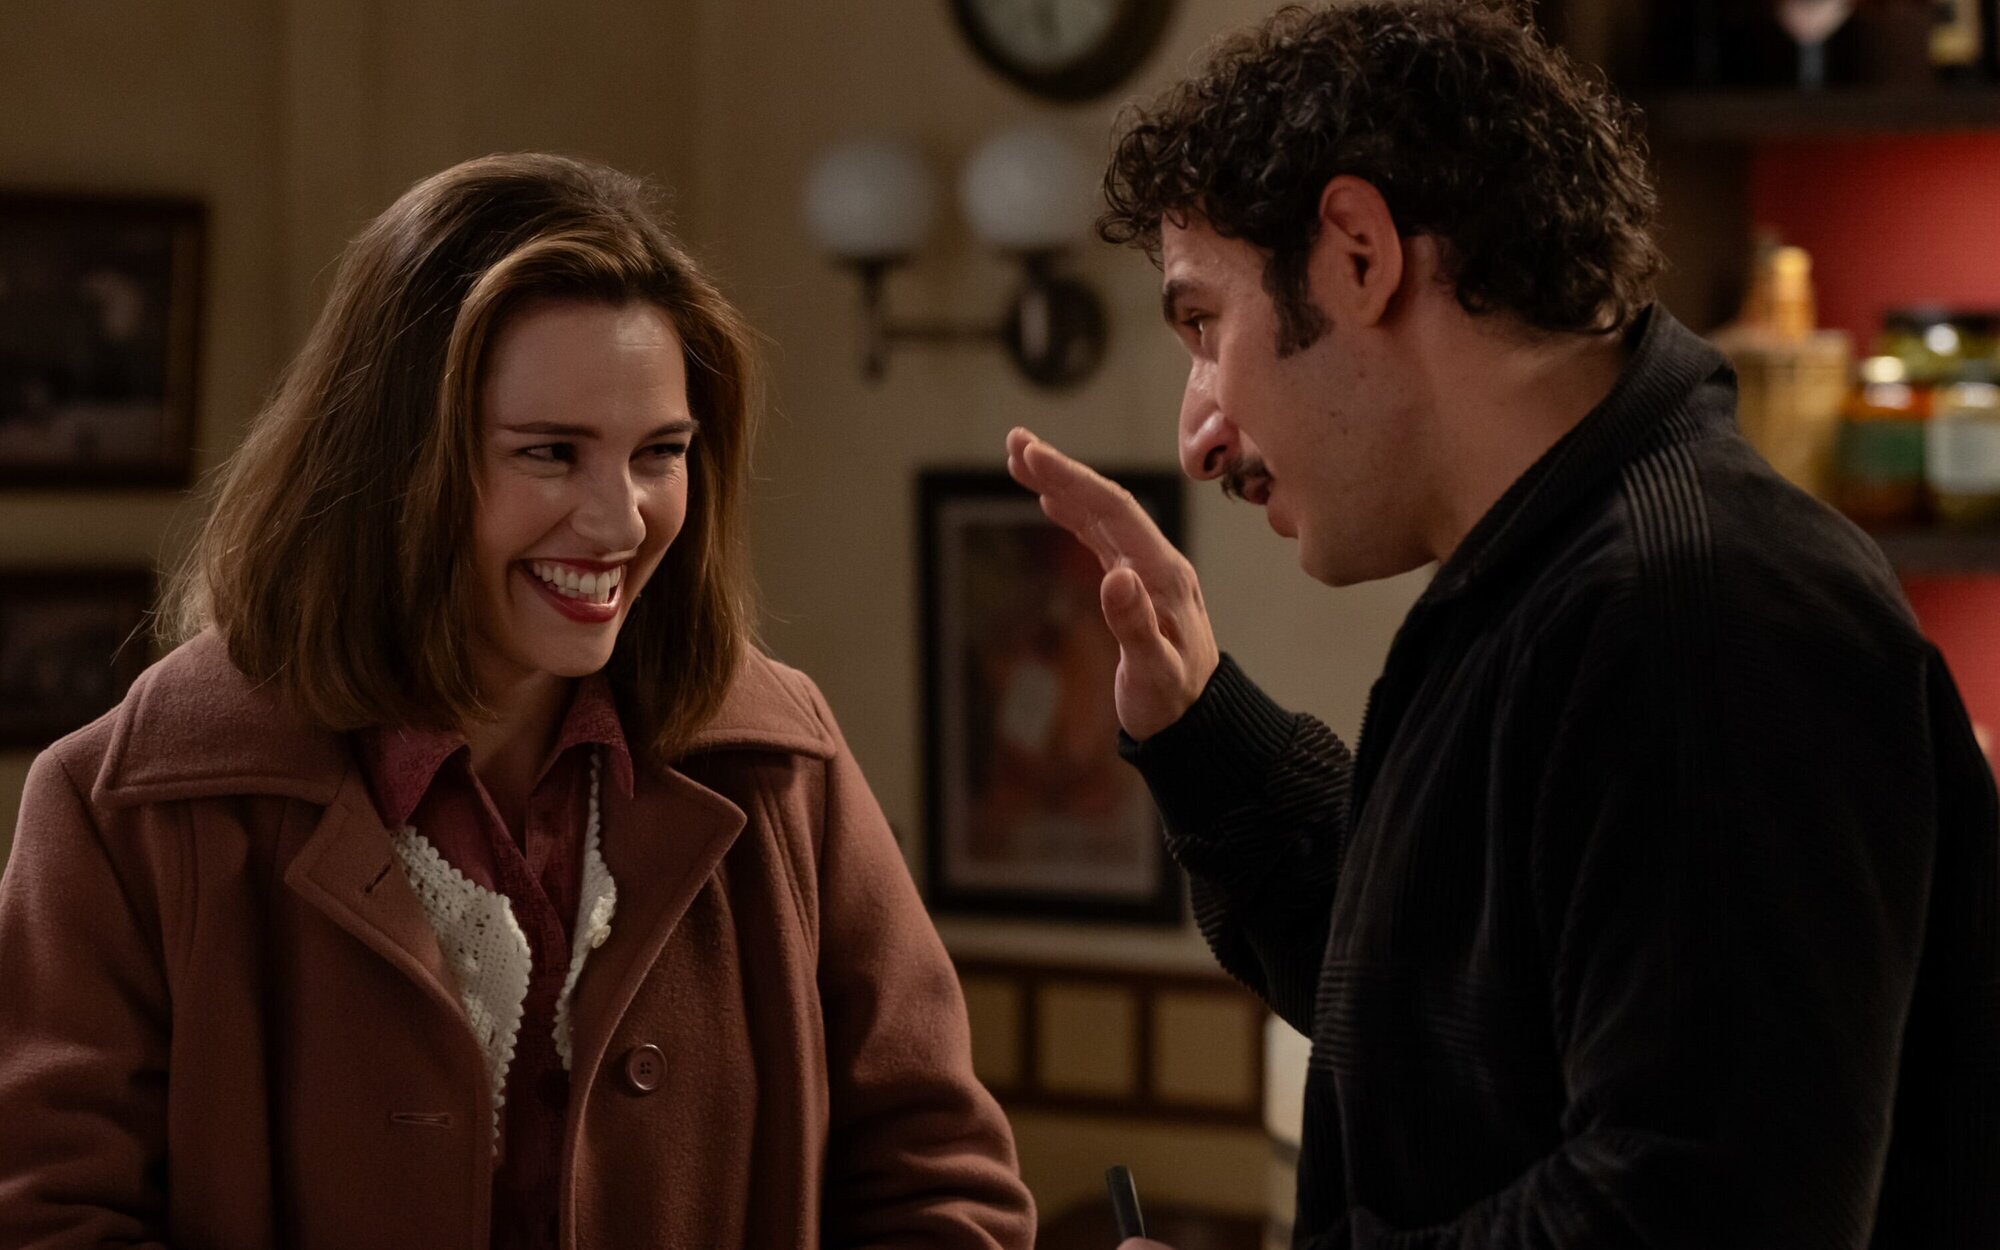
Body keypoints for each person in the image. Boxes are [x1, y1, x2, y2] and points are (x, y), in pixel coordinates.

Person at [1005, 3, 2000, 1247]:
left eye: (1204, 325)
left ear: (1356, 254)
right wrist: (1204, 726)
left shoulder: (1695, 610)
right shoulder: (1563, 582)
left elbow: (1692, 1209)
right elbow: (1447, 1013)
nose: (1196, 433)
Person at [0, 153, 1034, 1250]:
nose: (620, 520)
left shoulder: (782, 768)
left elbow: (943, 1193)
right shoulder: (121, 812)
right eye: (550, 453)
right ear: (395, 465)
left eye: (660, 453)